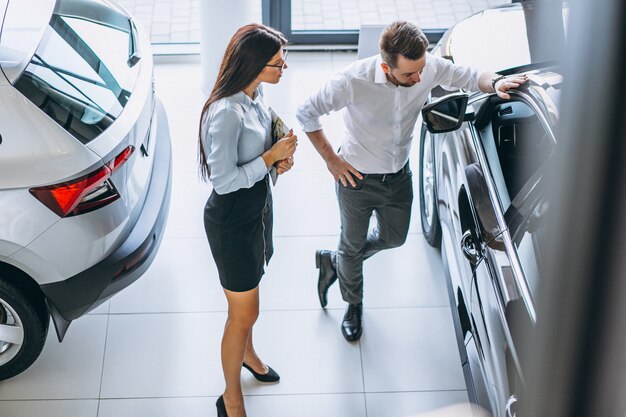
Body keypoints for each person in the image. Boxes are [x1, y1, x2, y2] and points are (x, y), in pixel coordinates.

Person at [296, 21, 526, 342]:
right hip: (356, 179)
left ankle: (335, 261)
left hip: (399, 176)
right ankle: (353, 303)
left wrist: (498, 81)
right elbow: (306, 112)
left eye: (420, 71)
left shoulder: (426, 67)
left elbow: (472, 77)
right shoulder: (351, 81)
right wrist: (331, 161)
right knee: (352, 244)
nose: (419, 79)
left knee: (394, 238)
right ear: (385, 66)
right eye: (409, 75)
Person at [198, 23, 297, 417]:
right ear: (254, 66)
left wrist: (277, 161)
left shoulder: (256, 96)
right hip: (233, 222)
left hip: (257, 210)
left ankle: (249, 355)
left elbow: (260, 153)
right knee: (244, 313)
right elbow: (223, 182)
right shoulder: (225, 114)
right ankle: (231, 396)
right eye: (276, 63)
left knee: (251, 294)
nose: (283, 67)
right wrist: (271, 159)